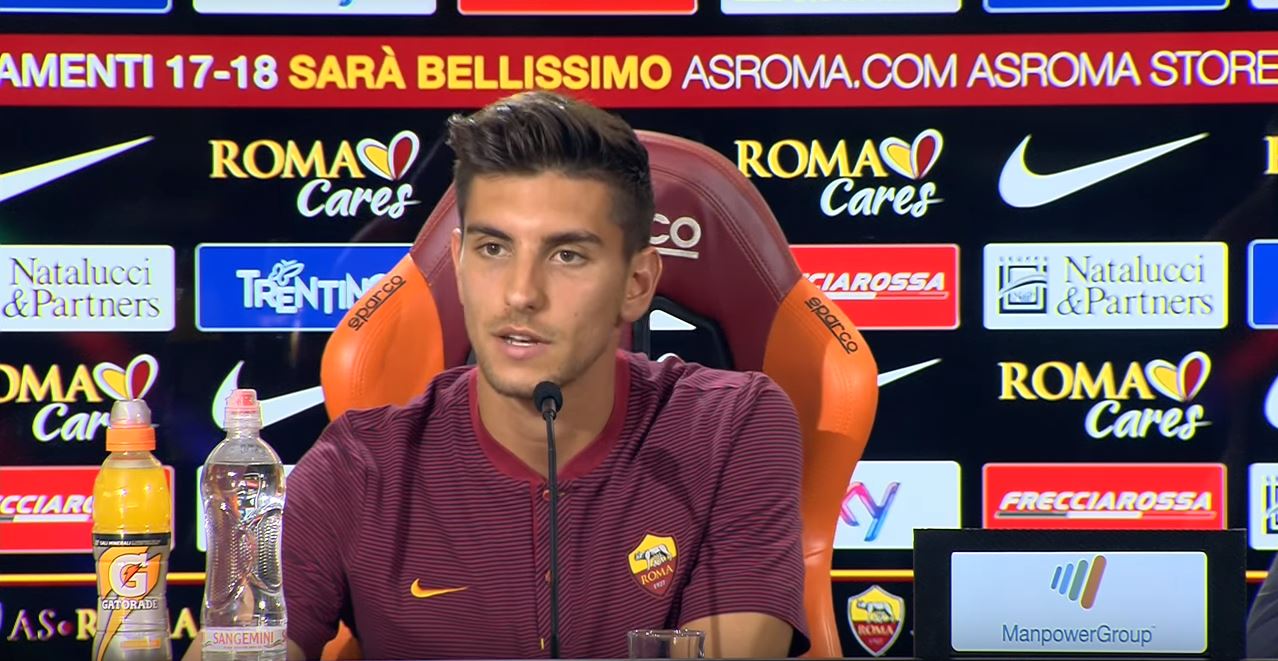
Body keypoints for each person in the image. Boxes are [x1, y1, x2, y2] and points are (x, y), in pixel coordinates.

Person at [187, 90, 810, 660]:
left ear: (637, 284)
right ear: (458, 264)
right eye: (493, 249)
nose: (520, 293)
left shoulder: (732, 429)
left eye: (567, 255)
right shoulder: (360, 466)